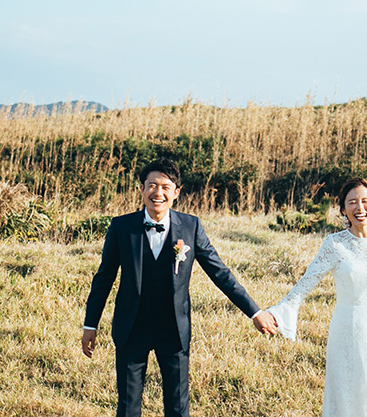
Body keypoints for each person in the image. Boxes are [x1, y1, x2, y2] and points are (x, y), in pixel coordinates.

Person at [82, 158, 278, 417]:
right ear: (142, 189)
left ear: (176, 193)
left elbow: (220, 273)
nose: (158, 193)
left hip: (173, 330)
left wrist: (255, 312)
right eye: (152, 185)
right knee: (128, 408)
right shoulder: (122, 226)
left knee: (177, 407)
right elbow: (104, 278)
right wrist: (90, 326)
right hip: (131, 328)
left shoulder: (191, 226)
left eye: (165, 187)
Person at [266, 177, 367, 417]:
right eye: (352, 202)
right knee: (346, 393)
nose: (359, 208)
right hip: (345, 330)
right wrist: (280, 310)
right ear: (343, 209)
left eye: (365, 201)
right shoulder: (334, 244)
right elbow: (305, 283)